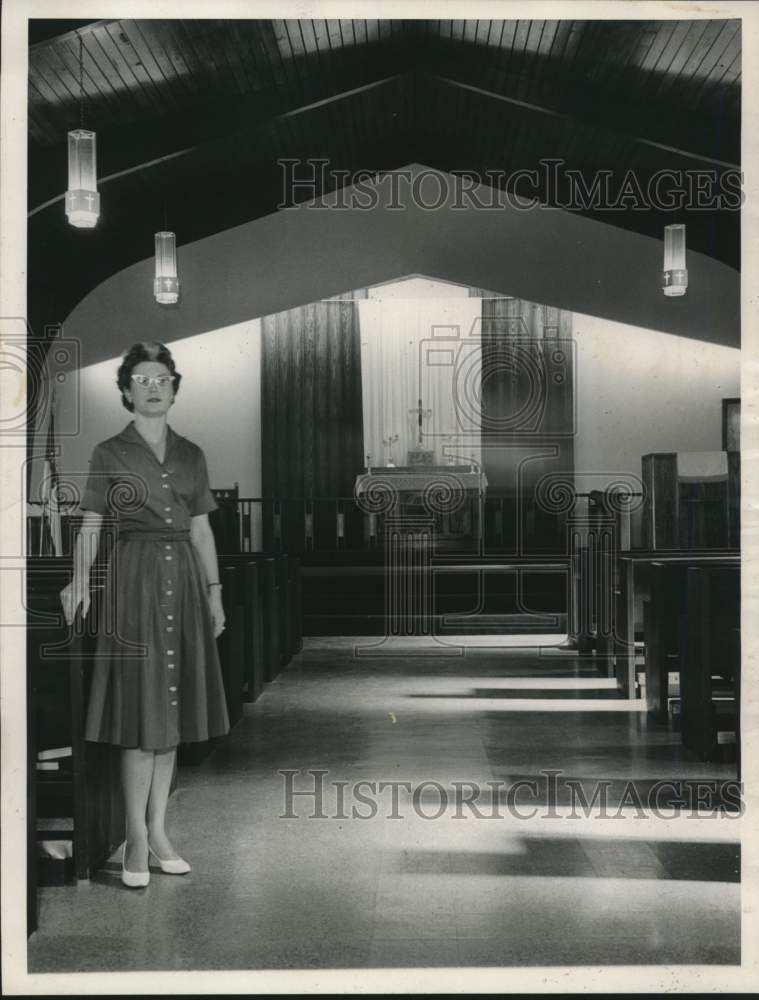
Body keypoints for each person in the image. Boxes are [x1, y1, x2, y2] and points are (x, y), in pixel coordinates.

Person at [60, 341, 230, 888]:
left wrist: (215, 593)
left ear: (174, 388)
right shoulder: (109, 452)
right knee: (142, 713)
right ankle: (134, 834)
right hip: (133, 582)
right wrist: (80, 579)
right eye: (142, 379)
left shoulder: (192, 453)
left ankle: (158, 830)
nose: (153, 387)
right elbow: (90, 524)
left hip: (181, 578)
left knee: (172, 712)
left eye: (162, 379)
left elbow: (202, 529)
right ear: (127, 390)